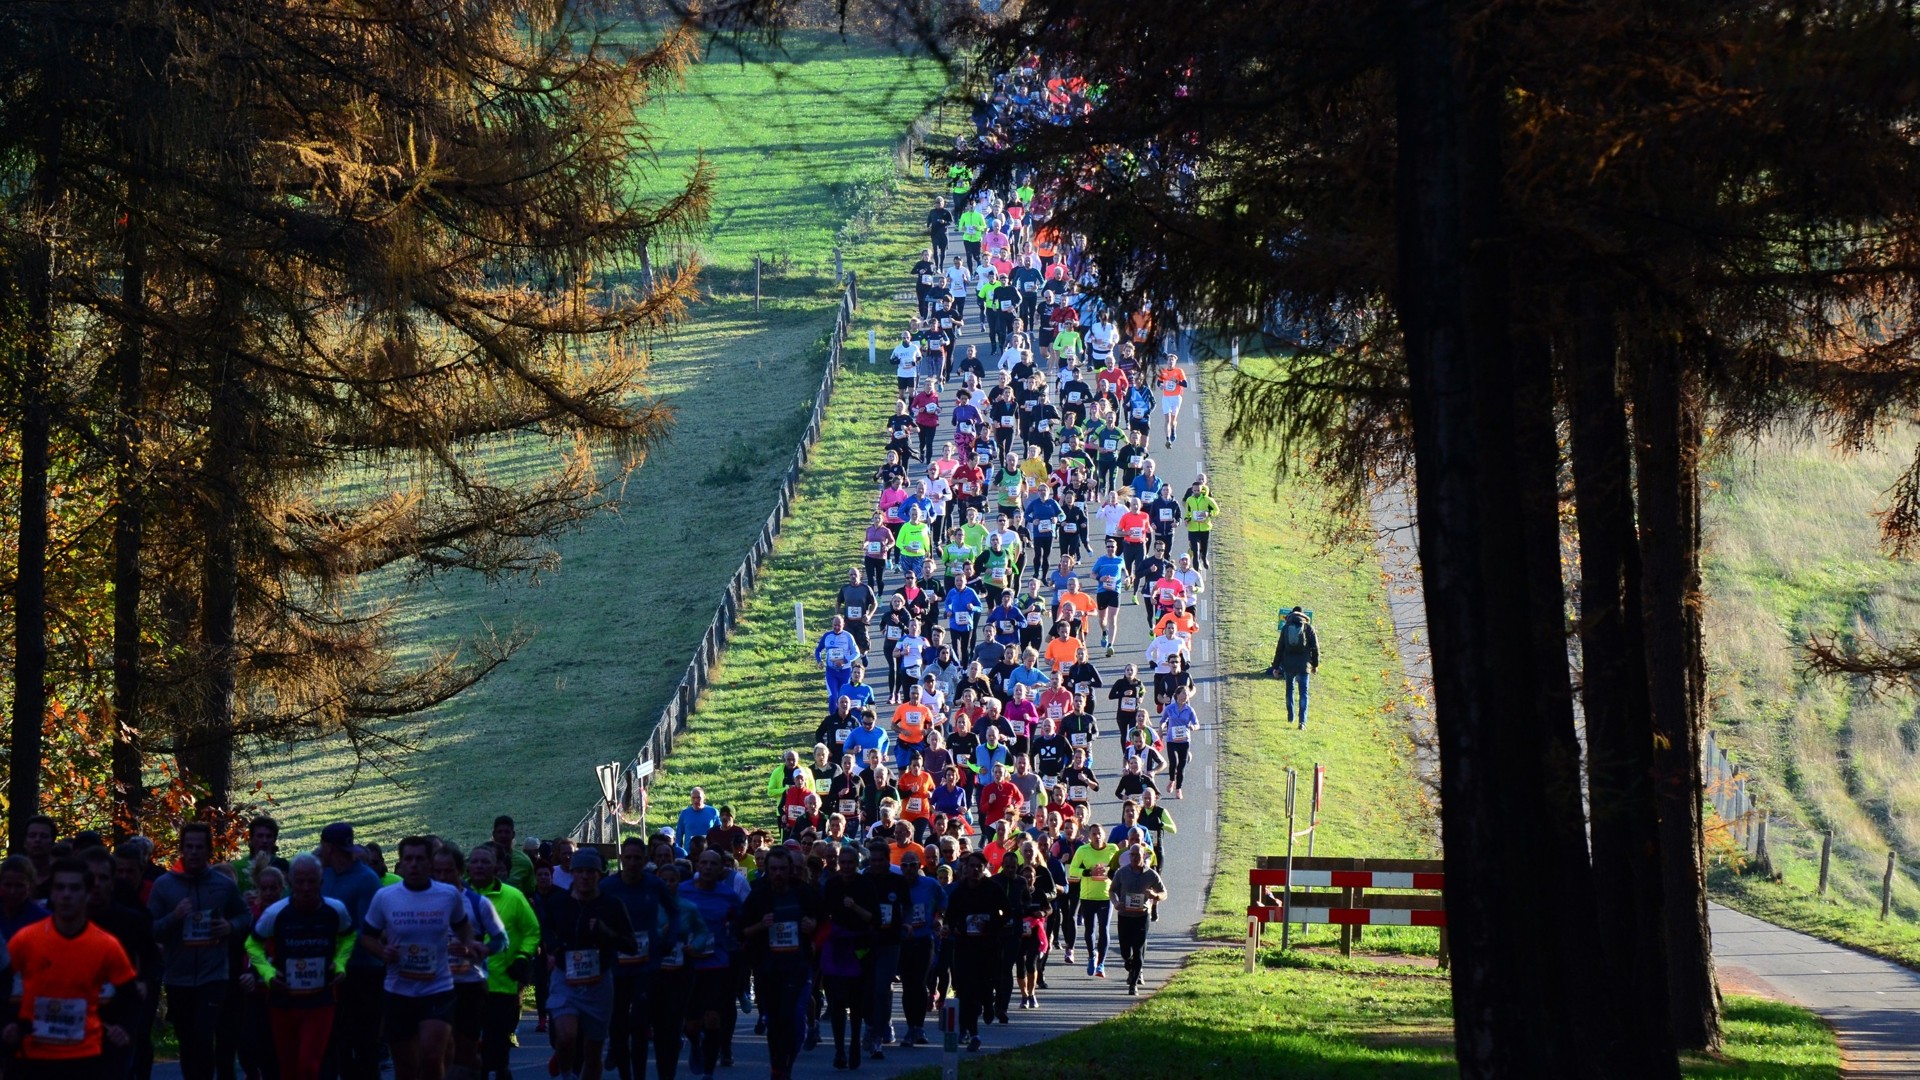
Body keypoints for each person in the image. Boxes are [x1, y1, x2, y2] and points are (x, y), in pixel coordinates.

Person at [5, 857, 141, 1074]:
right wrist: (9, 1024)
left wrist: (123, 1028)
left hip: (85, 1056)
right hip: (33, 1054)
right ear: (51, 893)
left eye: (75, 888)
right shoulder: (26, 939)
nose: (66, 895)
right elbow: (3, 983)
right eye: (60, 888)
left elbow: (130, 995)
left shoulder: (106, 945)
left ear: (87, 894)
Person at [361, 836, 476, 1080]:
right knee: (406, 1067)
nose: (414, 864)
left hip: (437, 988)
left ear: (430, 862)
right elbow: (367, 937)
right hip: (398, 990)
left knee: (432, 1057)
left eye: (420, 859)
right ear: (400, 863)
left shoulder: (448, 895)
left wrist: (469, 945)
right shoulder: (385, 897)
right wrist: (382, 952)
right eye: (408, 859)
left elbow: (464, 927)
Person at [148, 821, 251, 1080]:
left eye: (199, 847)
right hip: (178, 976)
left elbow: (245, 916)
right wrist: (174, 916)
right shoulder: (164, 885)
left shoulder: (223, 885)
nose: (194, 852)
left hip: (213, 975)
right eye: (189, 847)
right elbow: (150, 929)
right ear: (182, 849)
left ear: (208, 850)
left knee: (203, 1035)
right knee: (187, 1041)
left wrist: (229, 926)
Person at [248, 854, 355, 1080]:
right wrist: (268, 973)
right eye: (300, 882)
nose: (306, 888)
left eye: (311, 881)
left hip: (321, 998)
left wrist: (340, 964)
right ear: (290, 882)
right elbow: (252, 945)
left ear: (321, 881)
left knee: (309, 1064)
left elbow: (348, 937)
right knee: (288, 1067)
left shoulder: (335, 910)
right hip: (283, 999)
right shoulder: (275, 913)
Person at [539, 848, 636, 1080]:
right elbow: (544, 929)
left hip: (598, 982)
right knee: (566, 1036)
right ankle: (566, 1074)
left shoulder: (611, 905)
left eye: (590, 872)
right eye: (580, 871)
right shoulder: (558, 902)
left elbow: (630, 945)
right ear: (572, 873)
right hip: (565, 978)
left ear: (599, 875)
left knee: (593, 1051)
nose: (585, 876)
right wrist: (552, 946)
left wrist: (606, 933)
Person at [738, 847, 821, 1080]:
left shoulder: (802, 892)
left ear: (790, 869)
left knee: (790, 1017)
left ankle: (786, 1067)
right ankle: (777, 1067)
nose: (778, 874)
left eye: (782, 869)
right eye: (773, 869)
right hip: (768, 968)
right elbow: (741, 931)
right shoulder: (758, 895)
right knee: (775, 1021)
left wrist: (812, 925)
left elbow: (822, 920)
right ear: (766, 869)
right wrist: (760, 926)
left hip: (797, 966)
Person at [466, 842, 539, 1080]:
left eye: (485, 862)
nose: (479, 866)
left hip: (502, 982)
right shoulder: (457, 896)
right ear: (467, 866)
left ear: (496, 867)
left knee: (496, 1046)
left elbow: (532, 931)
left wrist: (522, 957)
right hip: (464, 982)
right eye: (475, 861)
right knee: (468, 1048)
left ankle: (501, 1070)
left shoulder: (513, 896)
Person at [1111, 843, 1167, 995]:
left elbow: (1164, 893)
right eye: (1132, 855)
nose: (1135, 858)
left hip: (1142, 916)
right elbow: (1112, 890)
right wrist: (1116, 903)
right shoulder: (1122, 873)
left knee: (1138, 949)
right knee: (1125, 952)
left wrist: (1155, 896)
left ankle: (1133, 984)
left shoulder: (1151, 874)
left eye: (1137, 855)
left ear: (1143, 856)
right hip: (1124, 915)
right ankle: (1130, 965)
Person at [1065, 827, 1116, 977]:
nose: (1097, 836)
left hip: (1106, 896)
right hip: (1088, 896)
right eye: (1094, 834)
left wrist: (1110, 872)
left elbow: (1119, 867)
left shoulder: (1112, 849)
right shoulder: (1083, 850)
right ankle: (1091, 955)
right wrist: (1088, 872)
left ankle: (1101, 964)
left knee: (1104, 929)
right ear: (1090, 836)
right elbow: (1073, 870)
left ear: (1104, 835)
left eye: (1099, 833)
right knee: (1090, 930)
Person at [1270, 606, 1322, 729]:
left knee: (1290, 690)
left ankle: (1290, 717)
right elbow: (1315, 648)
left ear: (1291, 615)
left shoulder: (1286, 628)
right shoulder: (1308, 628)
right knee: (1304, 693)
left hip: (1288, 665)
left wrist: (1275, 667)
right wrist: (1315, 665)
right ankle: (1302, 722)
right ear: (1303, 615)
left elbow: (1280, 648)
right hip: (1304, 666)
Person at [815, 616, 860, 707]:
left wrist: (844, 660)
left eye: (839, 625)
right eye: (834, 625)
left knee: (843, 698)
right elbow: (818, 650)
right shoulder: (827, 636)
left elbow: (856, 653)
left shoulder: (848, 636)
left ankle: (843, 715)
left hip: (845, 672)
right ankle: (833, 715)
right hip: (831, 672)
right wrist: (819, 661)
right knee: (833, 697)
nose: (836, 627)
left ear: (843, 625)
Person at [676, 789, 722, 853]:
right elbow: (679, 836)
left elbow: (719, 832)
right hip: (690, 853)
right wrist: (678, 852)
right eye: (693, 798)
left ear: (704, 798)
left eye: (698, 797)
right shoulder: (684, 813)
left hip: (708, 853)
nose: (696, 800)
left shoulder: (713, 812)